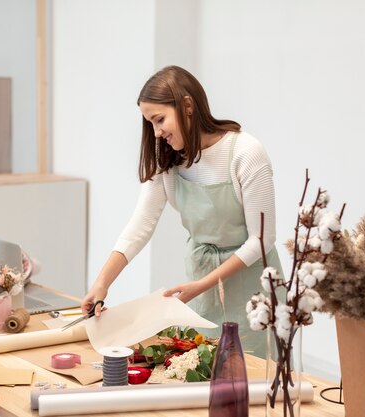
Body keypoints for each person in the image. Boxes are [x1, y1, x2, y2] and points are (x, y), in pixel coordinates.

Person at [81, 65, 282, 358]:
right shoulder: (168, 162)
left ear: (187, 105)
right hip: (201, 283)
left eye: (159, 119)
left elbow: (262, 240)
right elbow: (140, 226)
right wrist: (101, 283)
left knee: (251, 377)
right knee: (204, 371)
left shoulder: (246, 153)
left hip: (252, 290)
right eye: (150, 123)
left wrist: (203, 284)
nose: (156, 132)